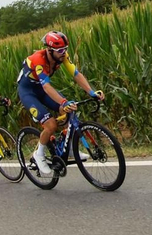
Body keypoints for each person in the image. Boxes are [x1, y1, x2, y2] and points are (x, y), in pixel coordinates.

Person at [16, 31, 101, 178]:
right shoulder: (39, 60)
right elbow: (47, 87)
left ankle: (68, 149)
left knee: (68, 111)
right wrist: (63, 101)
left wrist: (91, 92)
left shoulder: (62, 57)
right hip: (28, 92)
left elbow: (76, 74)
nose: (64, 53)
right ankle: (39, 154)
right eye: (60, 50)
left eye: (65, 49)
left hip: (42, 90)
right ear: (49, 50)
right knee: (50, 124)